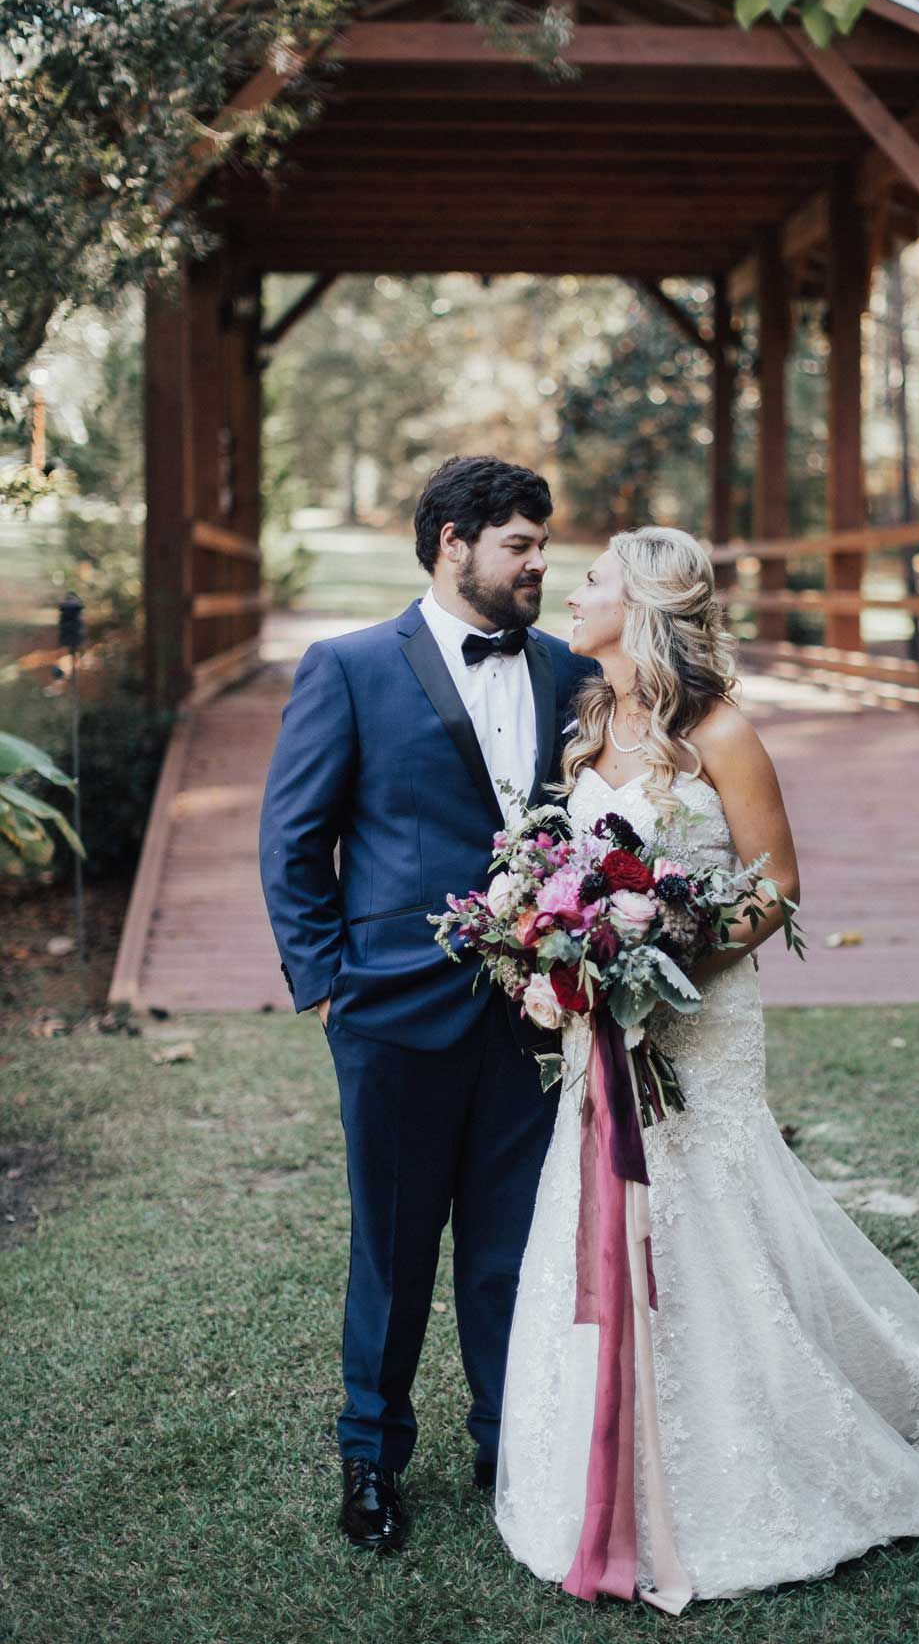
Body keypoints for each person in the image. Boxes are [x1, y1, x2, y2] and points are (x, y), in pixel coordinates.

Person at [494, 525, 919, 1610]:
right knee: (611, 1212)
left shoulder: (721, 734)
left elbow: (777, 885)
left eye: (591, 579)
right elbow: (566, 878)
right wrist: (562, 959)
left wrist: (672, 961)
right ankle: (601, 1466)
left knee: (710, 1211)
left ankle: (761, 1457)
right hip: (605, 1033)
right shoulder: (588, 730)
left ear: (637, 605)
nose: (572, 590)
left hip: (702, 1021)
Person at [258, 456, 598, 1553]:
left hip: (532, 1017)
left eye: (545, 544)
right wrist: (326, 991)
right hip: (391, 1011)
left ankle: (512, 1442)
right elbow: (294, 840)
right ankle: (371, 1456)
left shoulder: (570, 671)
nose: (541, 562)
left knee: (510, 1245)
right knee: (395, 1248)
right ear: (452, 543)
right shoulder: (350, 667)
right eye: (520, 545)